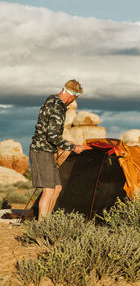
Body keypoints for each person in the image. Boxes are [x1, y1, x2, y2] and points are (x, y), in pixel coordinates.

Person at [29, 79, 88, 221]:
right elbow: (52, 136)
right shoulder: (58, 106)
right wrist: (73, 148)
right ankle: (41, 228)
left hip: (47, 151)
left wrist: (68, 143)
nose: (72, 102)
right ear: (72, 95)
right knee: (49, 190)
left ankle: (47, 224)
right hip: (41, 151)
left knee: (57, 188)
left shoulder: (52, 100)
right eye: (74, 98)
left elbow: (49, 133)